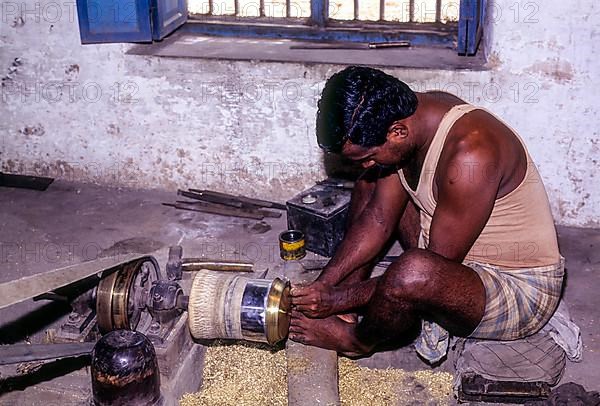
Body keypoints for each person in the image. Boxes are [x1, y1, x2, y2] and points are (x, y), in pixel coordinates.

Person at [289, 66, 564, 361]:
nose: (365, 163)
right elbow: (378, 219)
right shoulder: (418, 115)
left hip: (516, 290)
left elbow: (429, 269)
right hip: (449, 252)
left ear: (397, 132)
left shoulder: (471, 153)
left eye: (368, 156)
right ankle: (348, 305)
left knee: (411, 272)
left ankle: (358, 341)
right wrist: (327, 283)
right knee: (369, 186)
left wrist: (335, 299)